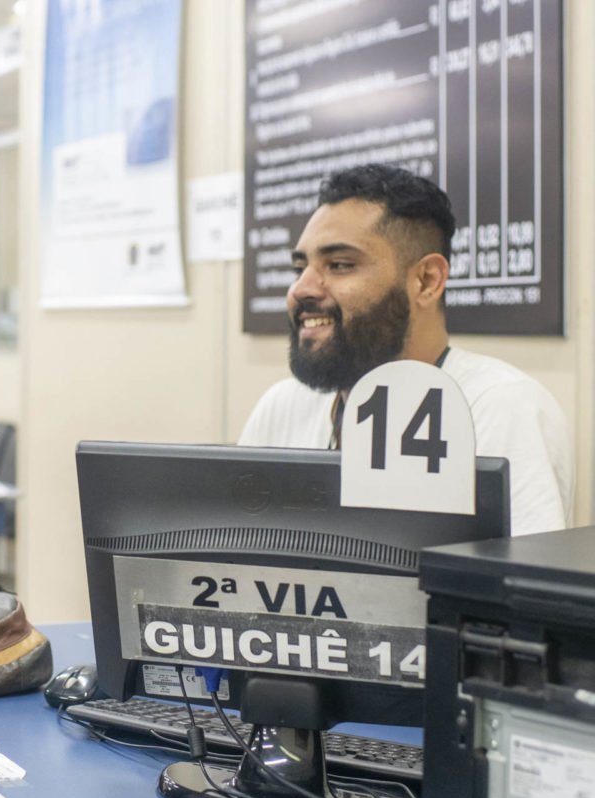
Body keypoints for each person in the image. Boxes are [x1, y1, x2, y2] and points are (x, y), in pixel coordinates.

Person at [239, 163, 573, 537]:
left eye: (339, 265)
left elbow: (521, 589)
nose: (301, 289)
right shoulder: (282, 405)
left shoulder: (499, 406)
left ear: (427, 281)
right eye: (300, 267)